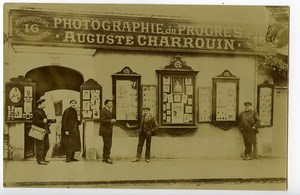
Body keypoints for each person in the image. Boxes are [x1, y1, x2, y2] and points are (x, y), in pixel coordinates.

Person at [33, 98, 52, 165]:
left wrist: (48, 123)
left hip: (45, 131)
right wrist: (43, 122)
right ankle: (40, 160)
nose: (44, 104)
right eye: (43, 103)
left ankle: (43, 158)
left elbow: (44, 120)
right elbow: (35, 122)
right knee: (40, 146)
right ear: (39, 104)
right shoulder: (36, 112)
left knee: (47, 146)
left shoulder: (42, 111)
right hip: (39, 131)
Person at [99, 99, 116, 164]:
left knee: (107, 144)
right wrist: (111, 121)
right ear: (106, 104)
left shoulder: (108, 110)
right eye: (109, 103)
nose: (111, 104)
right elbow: (102, 120)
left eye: (111, 103)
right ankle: (107, 158)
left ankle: (104, 157)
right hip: (105, 131)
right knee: (108, 144)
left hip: (108, 130)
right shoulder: (103, 110)